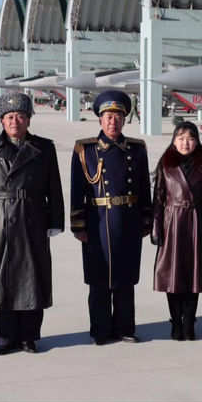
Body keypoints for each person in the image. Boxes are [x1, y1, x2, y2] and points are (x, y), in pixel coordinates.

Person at [0, 92, 64, 355]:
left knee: (33, 278)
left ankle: (29, 336)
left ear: (29, 120)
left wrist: (55, 219)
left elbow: (53, 187)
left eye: (21, 116)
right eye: (10, 117)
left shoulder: (44, 148)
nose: (15, 122)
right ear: (2, 120)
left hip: (33, 217)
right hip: (0, 220)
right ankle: (4, 337)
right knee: (3, 279)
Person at [70, 90, 152, 344]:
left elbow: (144, 187)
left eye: (117, 116)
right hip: (98, 221)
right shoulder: (86, 149)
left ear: (125, 120)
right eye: (108, 117)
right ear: (100, 120)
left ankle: (125, 328)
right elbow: (77, 190)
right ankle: (101, 330)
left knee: (125, 278)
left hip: (128, 220)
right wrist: (78, 224)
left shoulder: (137, 149)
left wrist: (147, 219)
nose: (112, 122)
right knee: (99, 279)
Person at [151, 121, 202, 341]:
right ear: (174, 140)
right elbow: (158, 198)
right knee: (172, 275)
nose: (185, 142)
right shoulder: (166, 163)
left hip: (195, 221)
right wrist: (156, 228)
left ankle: (190, 322)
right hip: (172, 222)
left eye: (190, 138)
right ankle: (176, 322)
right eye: (181, 137)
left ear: (197, 141)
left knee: (192, 275)